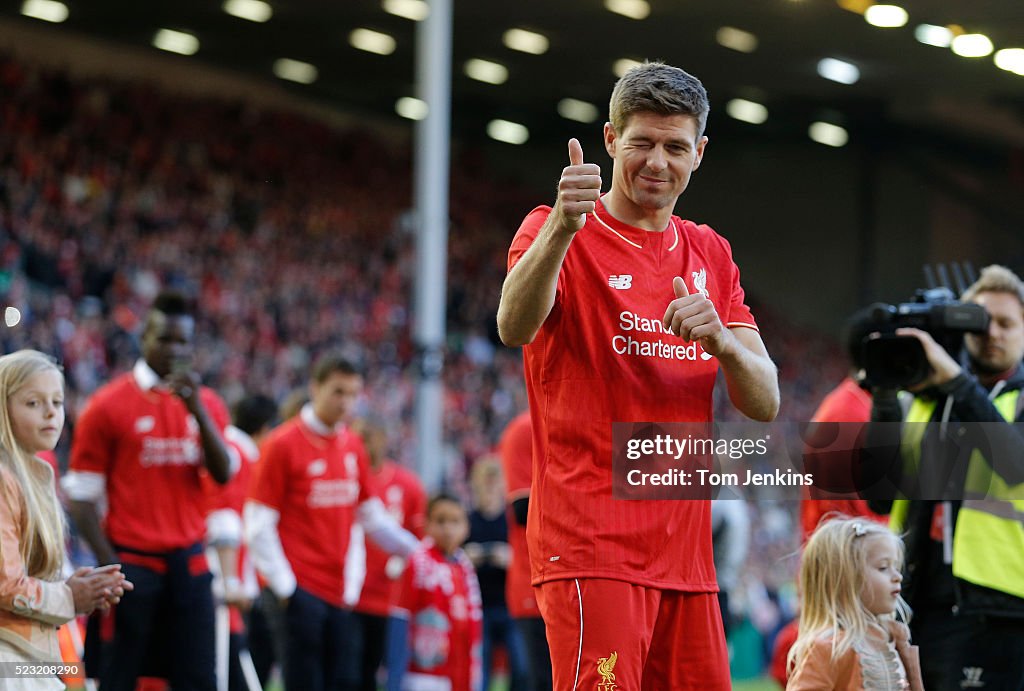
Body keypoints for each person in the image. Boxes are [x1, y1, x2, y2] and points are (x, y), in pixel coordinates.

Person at [496, 61, 779, 689]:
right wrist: (564, 233)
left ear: (699, 152)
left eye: (675, 147)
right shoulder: (553, 228)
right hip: (592, 547)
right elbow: (513, 326)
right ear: (609, 140)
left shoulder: (711, 251)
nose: (657, 162)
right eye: (641, 143)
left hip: (686, 559)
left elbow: (765, 401)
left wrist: (725, 343)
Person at [63, 291, 233, 691]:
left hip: (190, 568)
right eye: (165, 338)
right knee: (120, 680)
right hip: (133, 567)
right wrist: (112, 566)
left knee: (197, 680)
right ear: (145, 339)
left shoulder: (207, 404)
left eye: (183, 341)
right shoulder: (107, 405)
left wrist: (196, 410)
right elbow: (81, 498)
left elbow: (223, 474)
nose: (175, 349)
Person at [866, 264, 1024, 690]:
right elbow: (879, 497)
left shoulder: (975, 392)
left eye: (1006, 324)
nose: (992, 333)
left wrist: (956, 381)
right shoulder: (928, 400)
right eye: (981, 322)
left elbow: (1015, 466)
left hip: (1002, 610)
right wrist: (883, 400)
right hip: (920, 604)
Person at [244, 353, 419, 691]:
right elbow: (258, 524)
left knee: (343, 681)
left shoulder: (352, 444)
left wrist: (420, 553)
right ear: (315, 387)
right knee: (304, 681)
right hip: (299, 590)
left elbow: (370, 516)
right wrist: (285, 588)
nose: (346, 403)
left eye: (353, 394)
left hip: (340, 591)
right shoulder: (281, 445)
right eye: (338, 392)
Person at [0, 350, 131, 691]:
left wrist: (82, 586)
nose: (51, 413)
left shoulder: (31, 472)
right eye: (33, 403)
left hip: (24, 656)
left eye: (57, 402)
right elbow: (5, 585)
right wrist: (70, 597)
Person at [787, 517, 923, 690]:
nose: (898, 576)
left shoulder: (894, 642)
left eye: (896, 567)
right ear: (845, 580)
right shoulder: (832, 648)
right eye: (883, 567)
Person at [206, 393, 278, 691]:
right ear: (264, 428)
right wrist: (231, 583)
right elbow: (223, 520)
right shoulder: (241, 457)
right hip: (221, 581)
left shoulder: (229, 448)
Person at [351, 418, 427, 691]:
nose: (364, 445)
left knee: (390, 674)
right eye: (359, 437)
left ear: (383, 440)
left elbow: (421, 543)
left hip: (392, 599)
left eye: (370, 437)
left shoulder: (408, 485)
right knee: (350, 674)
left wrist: (401, 560)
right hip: (350, 596)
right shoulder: (345, 479)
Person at [386, 493, 482, 691]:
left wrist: (473, 671)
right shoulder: (418, 562)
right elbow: (400, 618)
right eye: (440, 521)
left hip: (459, 671)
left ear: (467, 527)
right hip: (423, 674)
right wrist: (395, 679)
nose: (448, 529)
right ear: (427, 524)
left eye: (455, 521)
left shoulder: (465, 567)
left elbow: (474, 621)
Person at [463, 456, 527, 691]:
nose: (489, 488)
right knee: (480, 672)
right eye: (484, 482)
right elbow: (454, 557)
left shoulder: (513, 519)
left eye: (493, 482)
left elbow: (530, 554)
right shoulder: (468, 520)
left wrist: (510, 557)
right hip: (480, 606)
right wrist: (468, 557)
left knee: (522, 670)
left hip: (510, 603)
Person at [498, 411, 551, 691]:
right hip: (539, 581)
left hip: (610, 576)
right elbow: (521, 509)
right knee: (542, 681)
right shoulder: (524, 429)